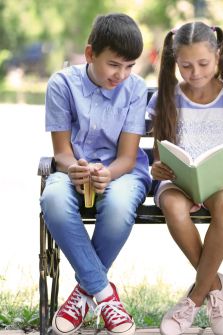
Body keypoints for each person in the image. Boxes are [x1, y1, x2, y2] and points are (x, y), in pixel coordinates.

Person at [40, 13, 149, 335]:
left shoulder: (135, 88)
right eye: (114, 64)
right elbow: (61, 152)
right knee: (53, 199)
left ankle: (83, 294)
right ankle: (103, 293)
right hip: (72, 169)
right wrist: (75, 168)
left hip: (123, 172)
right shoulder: (62, 84)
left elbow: (128, 158)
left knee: (116, 206)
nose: (122, 74)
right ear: (90, 54)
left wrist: (108, 173)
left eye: (130, 66)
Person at [147, 21, 223, 335]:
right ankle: (216, 284)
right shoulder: (168, 97)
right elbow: (158, 154)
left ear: (218, 56)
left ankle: (192, 302)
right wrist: (156, 168)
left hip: (219, 181)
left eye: (203, 64)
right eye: (186, 66)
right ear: (175, 62)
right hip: (178, 181)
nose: (194, 73)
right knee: (174, 207)